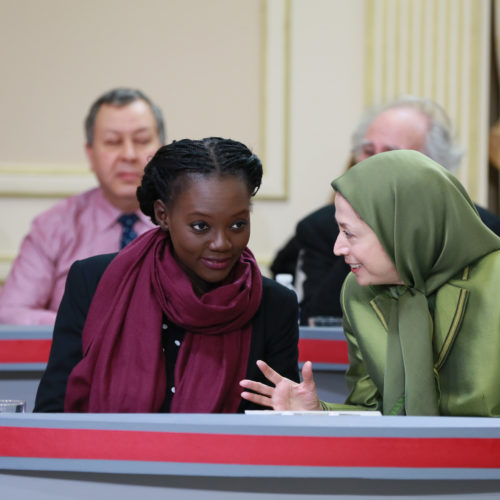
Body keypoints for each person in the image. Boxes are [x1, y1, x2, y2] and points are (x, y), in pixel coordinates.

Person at [34, 137, 300, 413]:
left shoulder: (274, 304)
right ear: (163, 215)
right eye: (200, 226)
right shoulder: (94, 281)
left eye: (237, 224)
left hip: (227, 457)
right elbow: (52, 410)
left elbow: (279, 429)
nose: (222, 242)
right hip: (101, 455)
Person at [241, 150, 500, 416]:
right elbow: (373, 410)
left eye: (349, 233)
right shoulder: (358, 292)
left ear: (402, 230)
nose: (337, 248)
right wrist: (318, 412)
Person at [271, 96, 500, 325]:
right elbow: (318, 321)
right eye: (368, 151)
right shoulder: (321, 229)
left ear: (433, 166)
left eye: (390, 153)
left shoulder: (484, 230)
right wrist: (360, 235)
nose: (372, 164)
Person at [0, 87, 165, 325]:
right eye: (112, 141)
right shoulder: (53, 226)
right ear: (90, 154)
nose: (128, 155)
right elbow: (9, 314)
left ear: (161, 150)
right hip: (78, 358)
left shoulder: (187, 222)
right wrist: (84, 328)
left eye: (141, 141)